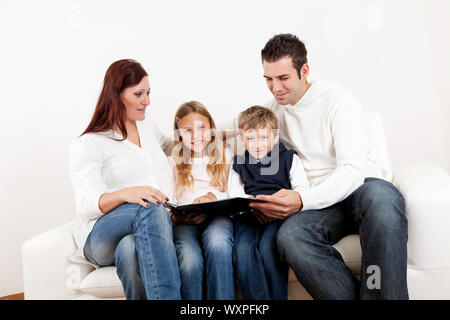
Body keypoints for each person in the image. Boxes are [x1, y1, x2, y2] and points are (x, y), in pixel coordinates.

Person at [225, 34, 409, 300]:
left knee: (383, 200)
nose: (275, 88)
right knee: (289, 238)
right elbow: (227, 128)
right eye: (268, 79)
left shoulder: (339, 101)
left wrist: (300, 199)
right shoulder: (274, 110)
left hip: (358, 190)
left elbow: (351, 171)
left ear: (304, 70)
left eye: (283, 78)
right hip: (319, 207)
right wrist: (190, 135)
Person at [69, 59, 181, 300]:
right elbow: (87, 204)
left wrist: (211, 133)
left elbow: (172, 146)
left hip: (142, 230)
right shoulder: (90, 143)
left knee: (130, 249)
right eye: (138, 94)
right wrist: (126, 193)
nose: (147, 101)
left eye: (148, 93)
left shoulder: (146, 125)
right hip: (100, 236)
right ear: (116, 96)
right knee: (151, 207)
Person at [227, 106, 309, 300]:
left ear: (274, 136)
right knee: (243, 250)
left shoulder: (288, 158)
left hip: (279, 215)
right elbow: (235, 192)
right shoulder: (238, 163)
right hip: (249, 215)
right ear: (241, 139)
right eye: (251, 138)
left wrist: (278, 203)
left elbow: (302, 189)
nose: (257, 145)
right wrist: (253, 204)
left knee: (267, 247)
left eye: (263, 137)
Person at [169, 101, 235, 300]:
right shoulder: (173, 161)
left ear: (212, 130)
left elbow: (234, 191)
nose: (196, 135)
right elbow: (169, 199)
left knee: (218, 243)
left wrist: (213, 197)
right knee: (189, 259)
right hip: (185, 221)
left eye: (201, 128)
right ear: (179, 134)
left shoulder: (225, 155)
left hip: (218, 217)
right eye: (188, 130)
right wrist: (179, 218)